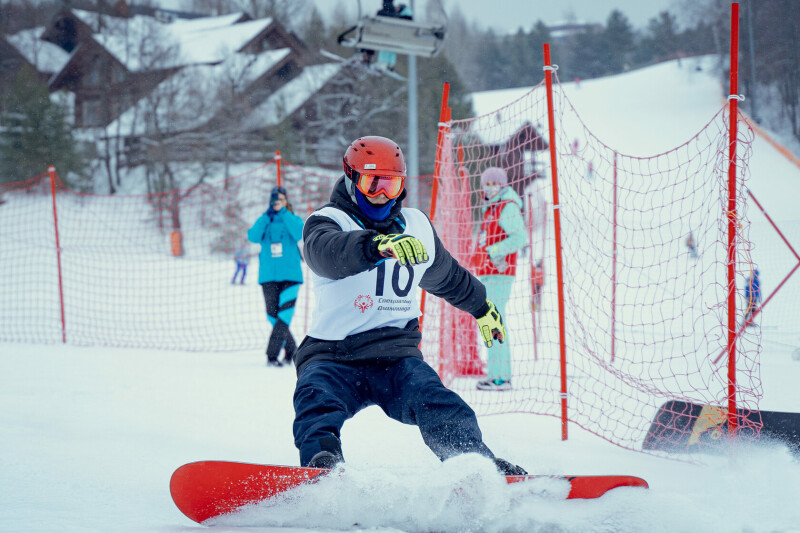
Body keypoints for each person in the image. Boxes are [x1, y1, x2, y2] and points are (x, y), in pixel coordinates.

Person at [293, 136, 526, 476]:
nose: (384, 195)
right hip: (333, 354)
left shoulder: (416, 227)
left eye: (393, 184)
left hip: (395, 358)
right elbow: (326, 254)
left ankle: (475, 465)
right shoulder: (328, 221)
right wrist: (375, 246)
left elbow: (449, 277)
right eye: (374, 184)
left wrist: (481, 307)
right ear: (351, 178)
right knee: (315, 400)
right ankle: (322, 467)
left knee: (438, 401)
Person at [469, 167, 527, 391]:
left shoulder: (507, 207)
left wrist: (494, 251)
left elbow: (519, 237)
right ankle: (496, 374)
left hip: (499, 272)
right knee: (490, 321)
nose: (490, 187)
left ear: (502, 185)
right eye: (487, 183)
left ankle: (501, 378)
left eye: (495, 183)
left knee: (495, 321)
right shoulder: (491, 207)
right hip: (489, 271)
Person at [247, 186, 305, 367]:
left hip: (291, 276)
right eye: (274, 199)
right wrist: (267, 215)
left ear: (286, 200)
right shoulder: (265, 220)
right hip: (268, 276)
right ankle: (293, 349)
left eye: (280, 199)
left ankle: (272, 355)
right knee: (272, 315)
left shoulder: (292, 219)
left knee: (284, 315)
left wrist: (284, 211)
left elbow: (299, 233)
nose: (277, 203)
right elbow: (253, 237)